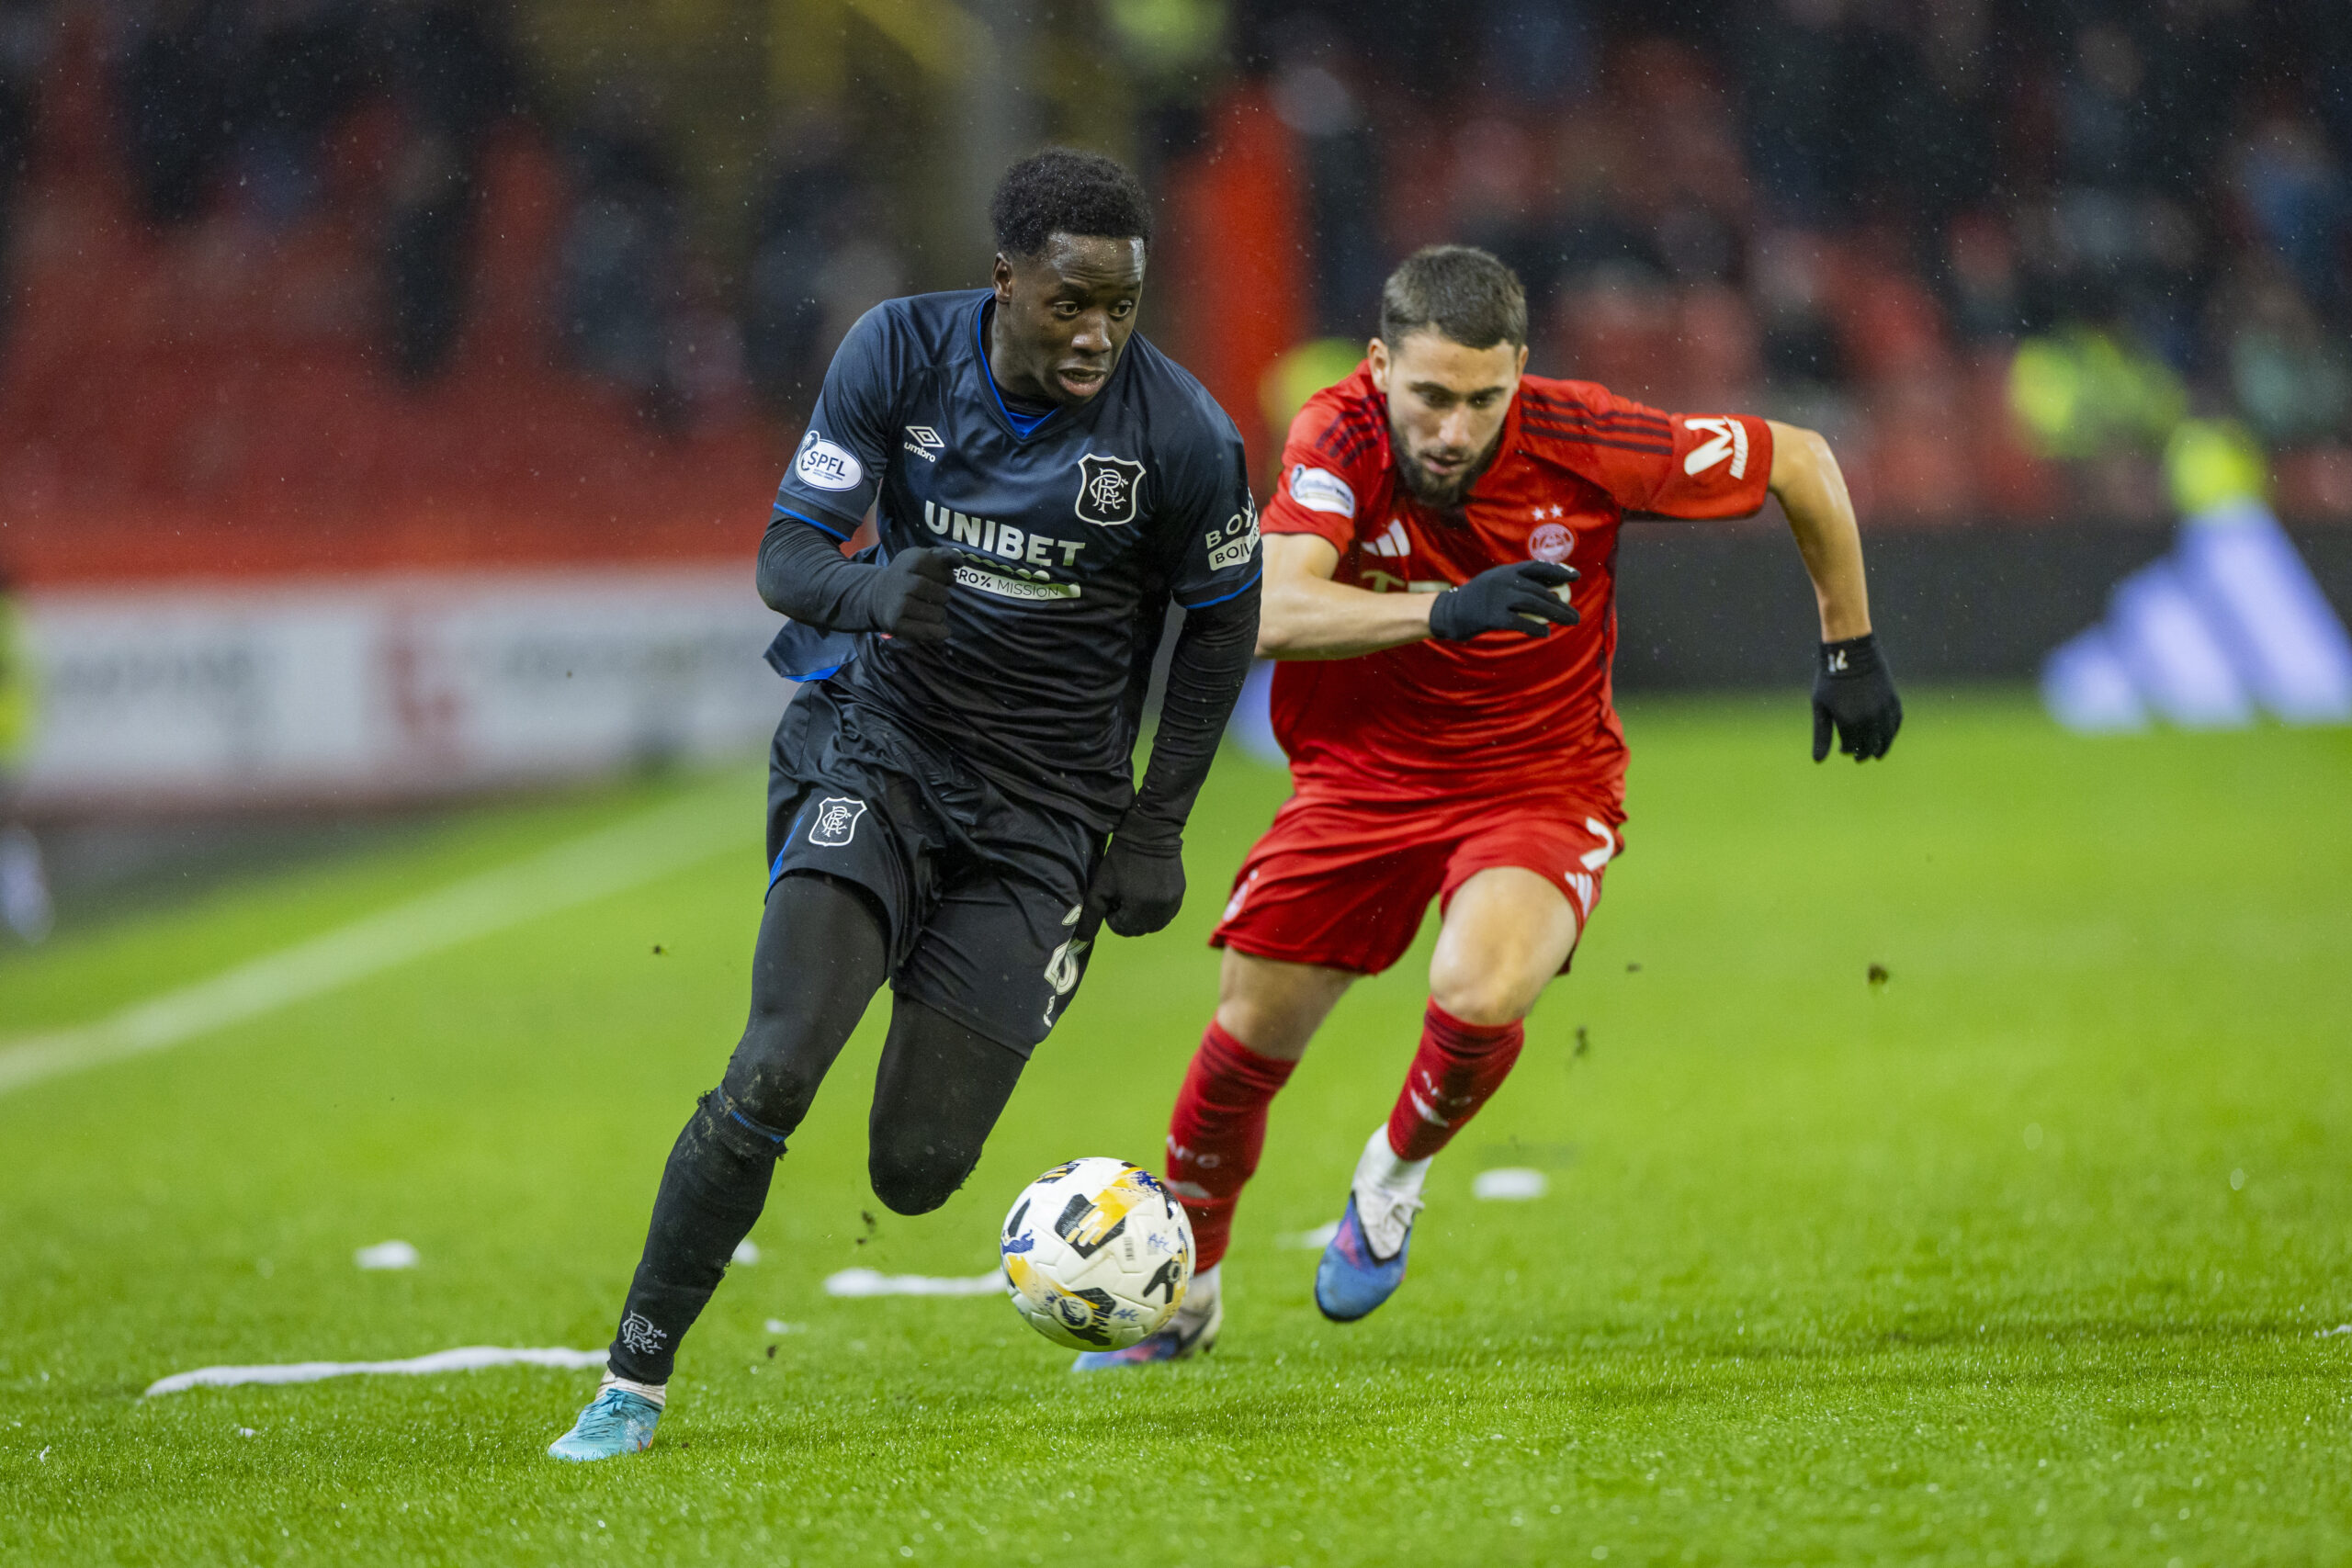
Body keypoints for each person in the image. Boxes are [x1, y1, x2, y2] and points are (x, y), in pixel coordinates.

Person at [547, 149, 1262, 1458]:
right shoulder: (898, 351)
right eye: (1070, 303)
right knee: (771, 1066)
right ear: (1005, 282)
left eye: (1122, 304)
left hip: (1047, 816)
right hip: (881, 750)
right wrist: (872, 594)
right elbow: (786, 556)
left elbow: (1223, 629)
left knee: (917, 1169)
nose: (1099, 332)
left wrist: (1157, 822)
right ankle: (631, 1380)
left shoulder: (1184, 438)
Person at [1076, 245, 1901, 1369]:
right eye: (1429, 396)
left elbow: (1799, 459)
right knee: (1249, 1033)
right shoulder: (1339, 433)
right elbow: (1269, 609)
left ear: (1520, 373)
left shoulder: (1588, 436)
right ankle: (1187, 1295)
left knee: (1483, 982)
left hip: (1538, 780)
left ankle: (1394, 1176)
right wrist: (1445, 610)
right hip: (1359, 779)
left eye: (1483, 399)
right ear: (1379, 368)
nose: (1453, 429)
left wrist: (1848, 647)